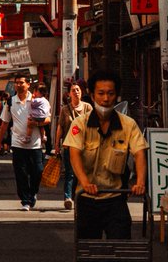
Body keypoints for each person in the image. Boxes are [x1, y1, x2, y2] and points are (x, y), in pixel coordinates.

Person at [64, 69, 148, 241]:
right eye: (101, 93)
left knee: (120, 246)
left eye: (110, 93)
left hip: (115, 198)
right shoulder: (80, 123)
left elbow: (139, 153)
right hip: (87, 198)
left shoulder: (128, 124)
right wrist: (85, 183)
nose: (105, 98)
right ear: (92, 95)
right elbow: (74, 155)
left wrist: (140, 182)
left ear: (116, 95)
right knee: (87, 250)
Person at [0, 75, 48, 210]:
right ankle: (25, 200)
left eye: (21, 83)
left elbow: (48, 119)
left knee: (37, 171)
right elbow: (5, 123)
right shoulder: (11, 102)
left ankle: (33, 193)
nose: (19, 85)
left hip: (35, 143)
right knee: (21, 174)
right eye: (17, 83)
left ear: (28, 84)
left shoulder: (36, 99)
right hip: (17, 143)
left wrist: (36, 123)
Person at [56, 81, 92, 210]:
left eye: (78, 90)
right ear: (69, 94)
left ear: (81, 92)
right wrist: (56, 145)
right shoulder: (65, 109)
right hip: (69, 146)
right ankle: (68, 197)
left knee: (82, 172)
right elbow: (60, 127)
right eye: (73, 90)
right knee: (70, 173)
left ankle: (80, 197)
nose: (76, 92)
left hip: (85, 146)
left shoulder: (88, 108)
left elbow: (93, 126)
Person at [29, 82, 51, 150]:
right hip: (44, 117)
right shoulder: (46, 101)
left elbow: (32, 104)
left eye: (35, 91)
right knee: (42, 127)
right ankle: (43, 136)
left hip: (37, 117)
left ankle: (28, 136)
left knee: (29, 124)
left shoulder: (38, 100)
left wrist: (31, 98)